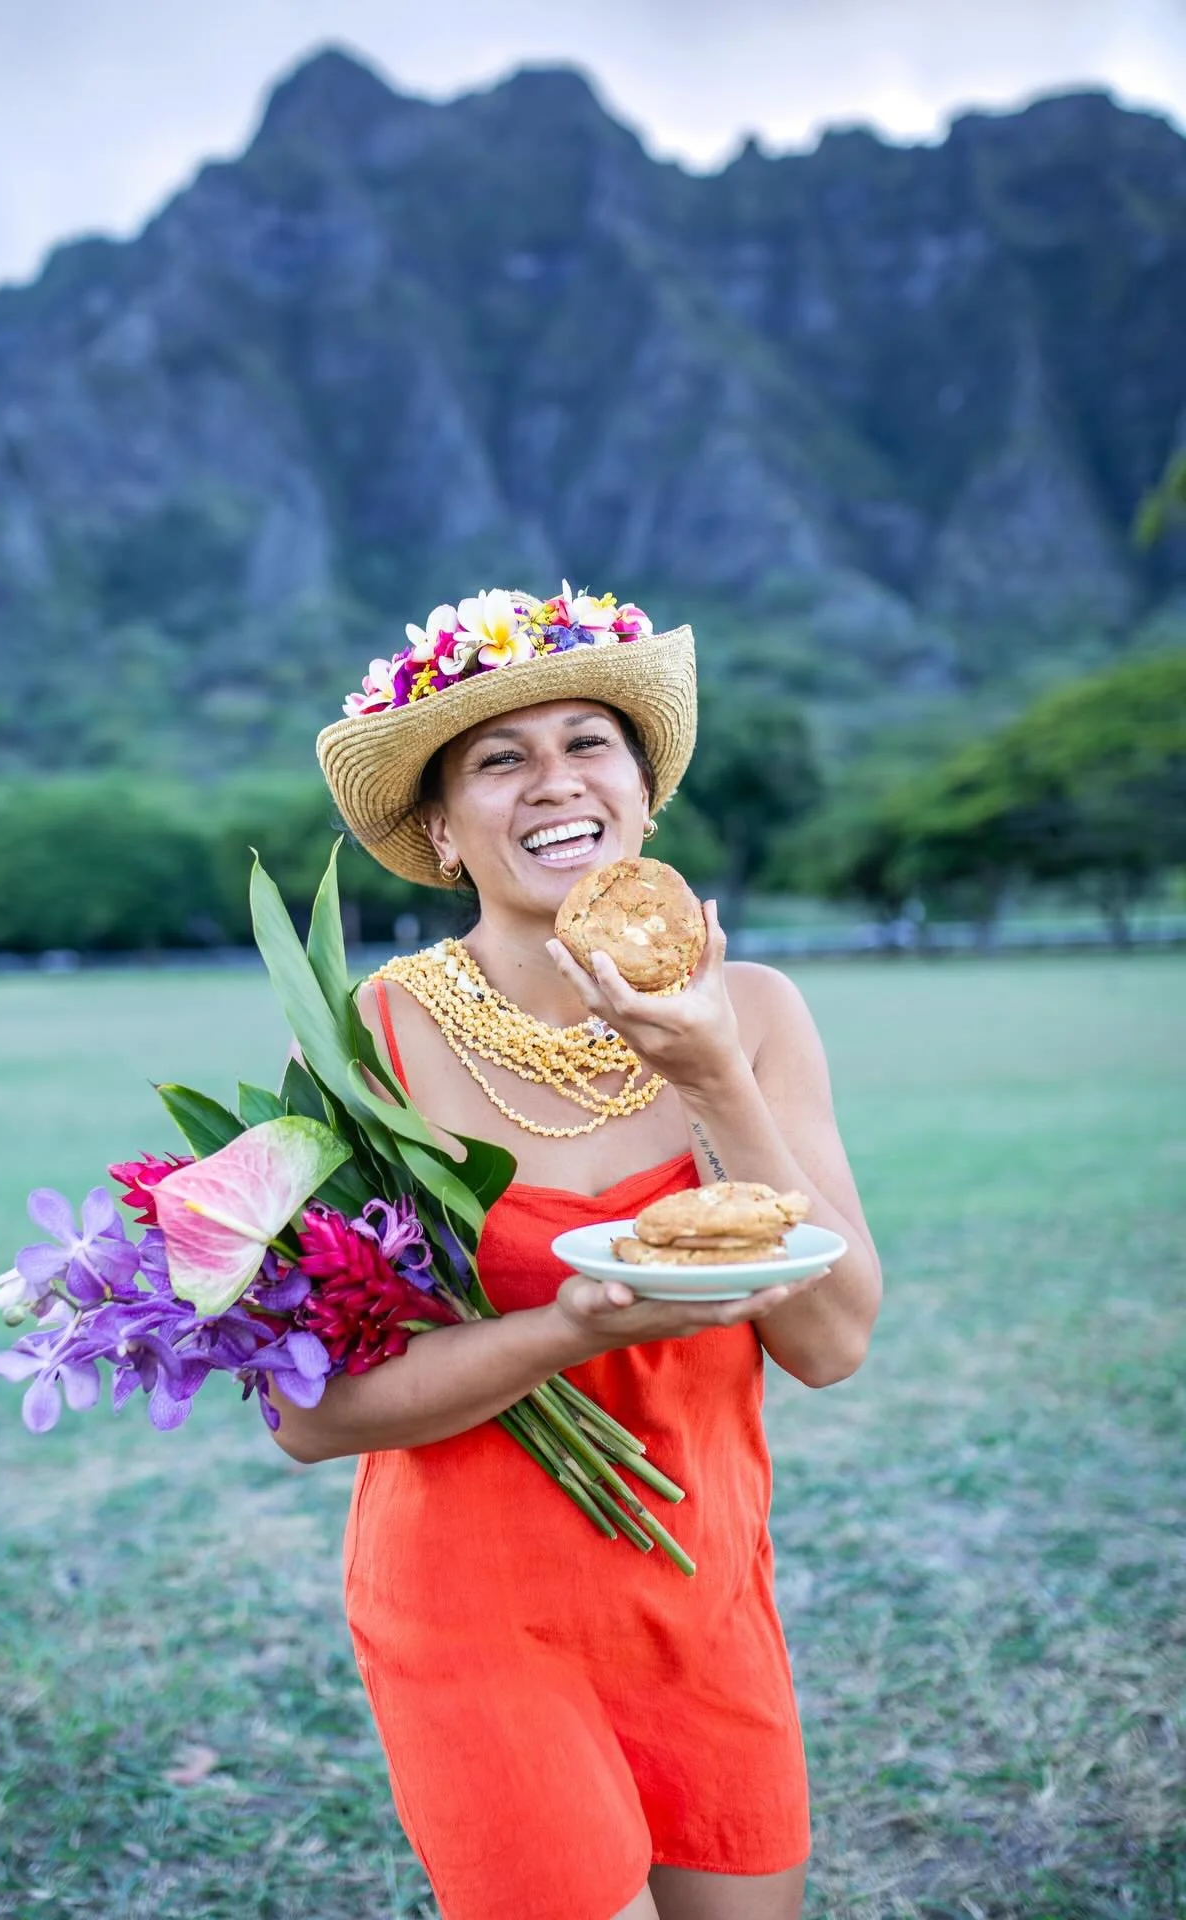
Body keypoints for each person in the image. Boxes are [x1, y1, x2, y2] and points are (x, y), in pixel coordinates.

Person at [270, 587, 882, 1920]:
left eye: (588, 741)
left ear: (643, 794)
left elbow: (832, 1344)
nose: (555, 780)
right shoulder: (364, 1037)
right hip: (476, 1614)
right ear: (439, 827)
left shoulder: (759, 1013)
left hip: (701, 1587)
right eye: (501, 757)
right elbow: (310, 1417)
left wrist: (719, 1074)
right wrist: (567, 1330)